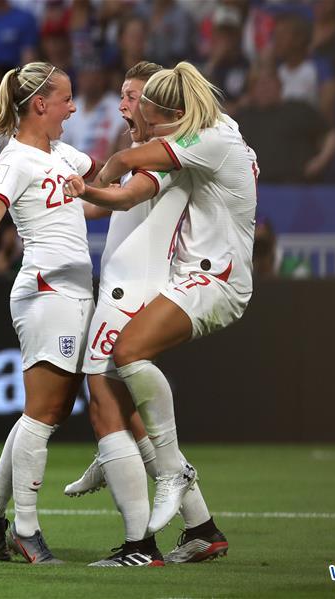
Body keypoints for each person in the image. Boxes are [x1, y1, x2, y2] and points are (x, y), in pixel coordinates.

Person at [64, 61, 257, 537]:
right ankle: (200, 530)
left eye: (137, 100)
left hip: (213, 277)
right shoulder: (207, 135)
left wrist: (92, 180)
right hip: (186, 276)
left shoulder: (200, 144)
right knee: (120, 391)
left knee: (122, 363)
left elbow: (127, 182)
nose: (128, 110)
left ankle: (161, 486)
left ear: (168, 112)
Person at [0, 61, 97, 564]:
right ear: (41, 104)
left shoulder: (62, 153)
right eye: (66, 99)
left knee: (52, 410)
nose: (73, 107)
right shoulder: (15, 160)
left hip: (75, 289)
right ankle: (26, 528)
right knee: (43, 412)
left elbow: (94, 197)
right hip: (46, 289)